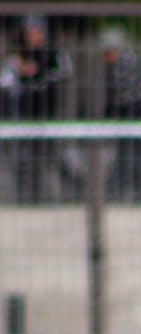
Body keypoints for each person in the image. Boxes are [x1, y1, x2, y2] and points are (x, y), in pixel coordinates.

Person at [0, 14, 73, 201]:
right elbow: (5, 80)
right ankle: (27, 197)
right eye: (29, 32)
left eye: (37, 31)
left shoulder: (53, 53)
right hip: (24, 115)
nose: (33, 36)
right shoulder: (18, 54)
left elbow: (65, 72)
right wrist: (19, 70)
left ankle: (58, 196)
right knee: (24, 159)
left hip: (49, 114)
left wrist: (40, 73)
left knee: (51, 158)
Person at [101, 27, 141, 201]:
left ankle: (135, 191)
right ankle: (131, 191)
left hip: (133, 110)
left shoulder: (128, 62)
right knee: (128, 153)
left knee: (132, 153)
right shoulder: (119, 63)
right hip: (126, 111)